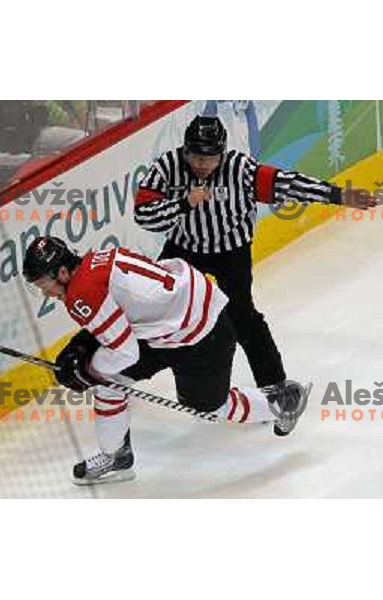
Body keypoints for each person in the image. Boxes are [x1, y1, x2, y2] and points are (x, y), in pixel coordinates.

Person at [23, 236, 309, 486]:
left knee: (209, 405)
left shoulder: (80, 293)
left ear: (61, 272)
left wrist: (88, 371)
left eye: (44, 285)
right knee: (111, 383)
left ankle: (282, 403)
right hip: (172, 324)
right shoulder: (95, 262)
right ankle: (116, 456)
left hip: (200, 335)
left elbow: (126, 353)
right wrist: (90, 349)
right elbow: (123, 319)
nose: (46, 294)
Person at [134, 115, 376, 390]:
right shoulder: (167, 167)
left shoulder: (239, 168)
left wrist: (338, 195)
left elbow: (287, 183)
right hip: (184, 250)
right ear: (185, 150)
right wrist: (184, 204)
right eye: (195, 156)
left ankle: (276, 388)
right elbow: (143, 216)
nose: (201, 164)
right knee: (153, 307)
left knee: (243, 318)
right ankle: (126, 371)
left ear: (222, 153)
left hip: (231, 251)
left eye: (209, 157)